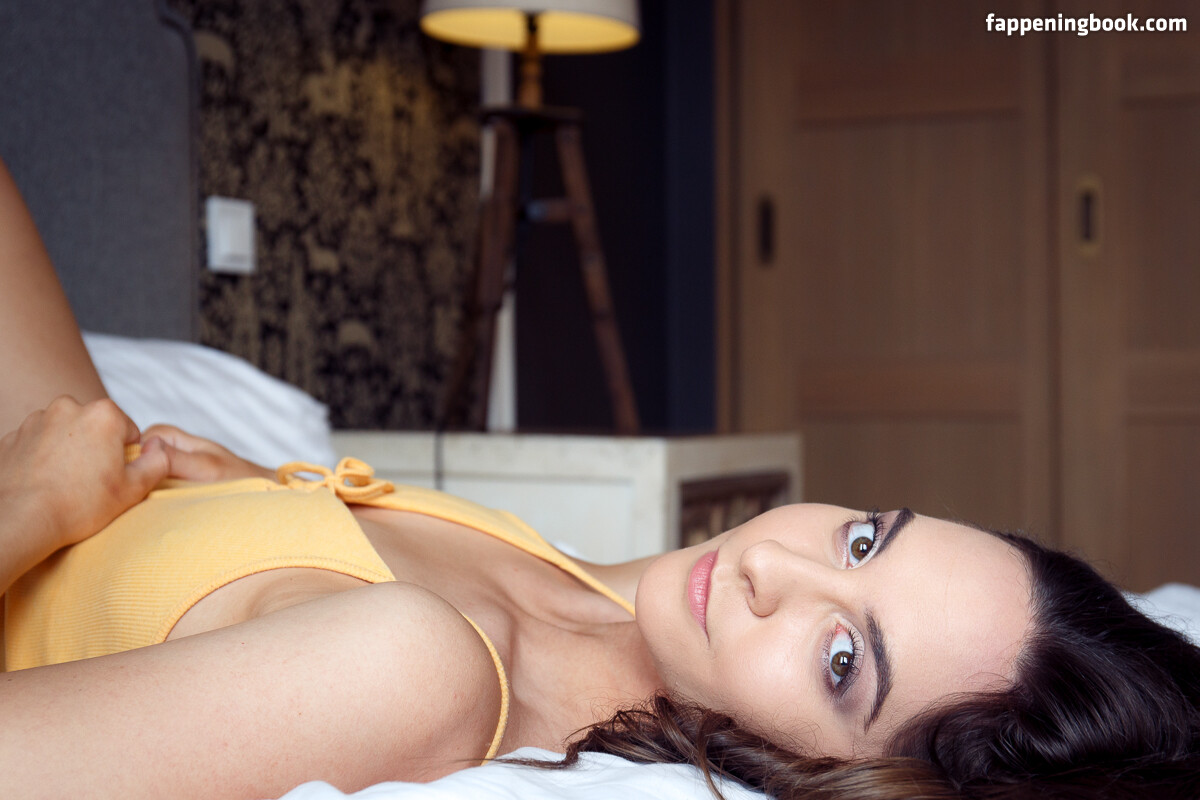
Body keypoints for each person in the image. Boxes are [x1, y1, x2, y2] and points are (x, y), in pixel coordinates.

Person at [0, 155, 1197, 800]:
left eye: (843, 660)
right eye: (865, 539)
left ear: (844, 778)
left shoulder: (417, 668)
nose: (773, 565)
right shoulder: (597, 591)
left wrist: (32, 503)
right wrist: (260, 487)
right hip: (88, 447)